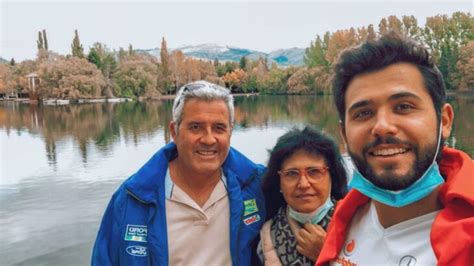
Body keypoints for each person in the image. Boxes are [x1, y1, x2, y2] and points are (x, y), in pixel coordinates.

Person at [316, 32, 474, 266]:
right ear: (344, 134)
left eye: (403, 106)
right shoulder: (346, 217)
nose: (382, 127)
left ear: (445, 121)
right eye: (364, 113)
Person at [92, 80, 266, 265]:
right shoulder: (131, 199)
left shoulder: (258, 185)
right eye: (195, 127)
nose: (208, 139)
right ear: (174, 132)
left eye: (219, 128)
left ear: (230, 132)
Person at [257, 127, 348, 265]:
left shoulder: (357, 224)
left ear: (332, 176)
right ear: (279, 182)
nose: (303, 184)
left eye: (314, 171)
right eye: (291, 174)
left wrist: (327, 256)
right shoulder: (267, 236)